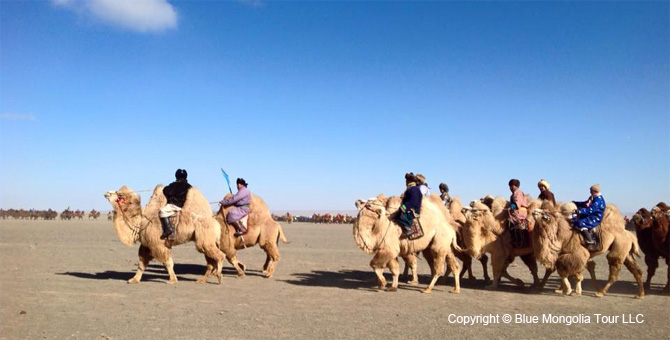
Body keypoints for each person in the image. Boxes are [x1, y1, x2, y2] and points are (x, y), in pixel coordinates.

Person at [160, 169, 192, 239]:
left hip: (175, 206)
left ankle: (167, 230)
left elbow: (165, 191)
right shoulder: (189, 186)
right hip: (185, 206)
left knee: (162, 212)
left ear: (176, 176)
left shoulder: (173, 185)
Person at [396, 173, 423, 237]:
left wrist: (403, 207)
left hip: (413, 211)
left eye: (406, 181)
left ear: (409, 181)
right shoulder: (412, 189)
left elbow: (412, 201)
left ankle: (408, 229)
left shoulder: (414, 189)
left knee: (398, 217)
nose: (405, 182)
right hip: (410, 208)